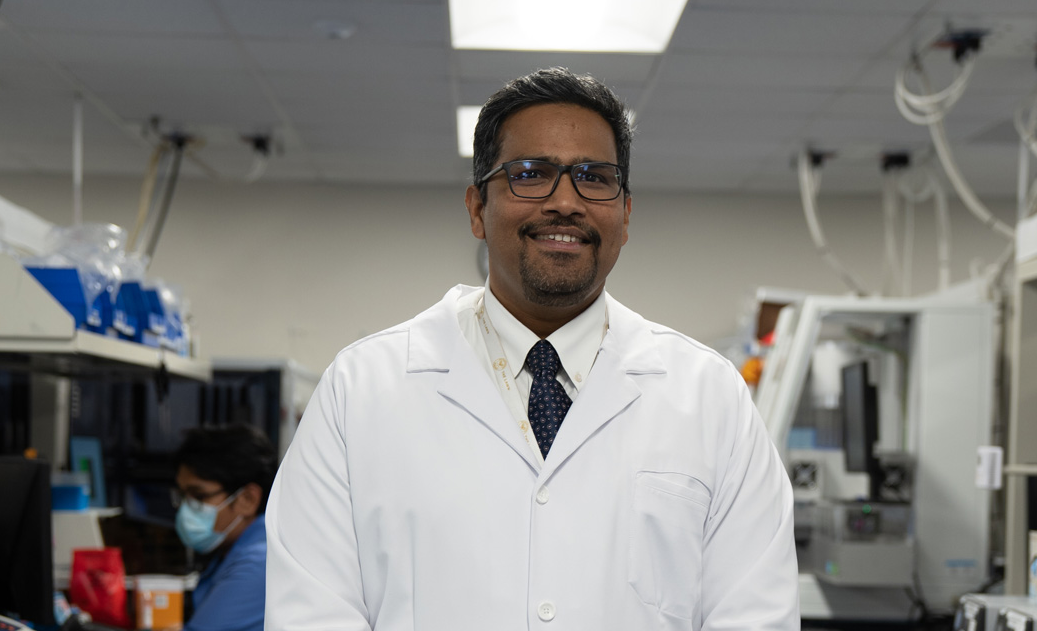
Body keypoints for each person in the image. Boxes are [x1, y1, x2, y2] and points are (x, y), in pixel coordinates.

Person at [265, 68, 799, 630]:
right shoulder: (362, 388)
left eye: (594, 177)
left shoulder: (711, 398)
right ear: (477, 208)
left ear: (625, 214)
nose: (565, 202)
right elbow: (312, 610)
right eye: (530, 174)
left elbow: (754, 614)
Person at [173, 424, 277, 631]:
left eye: (199, 496)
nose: (186, 509)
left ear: (247, 499)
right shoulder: (232, 552)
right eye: (183, 496)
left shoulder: (258, 562)